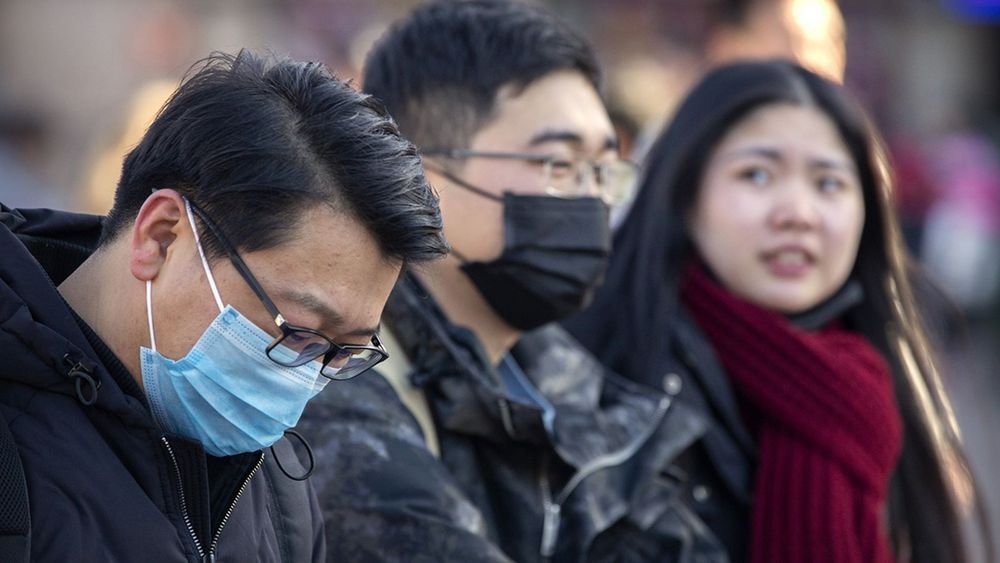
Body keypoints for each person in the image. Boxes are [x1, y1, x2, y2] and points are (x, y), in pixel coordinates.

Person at [295, 1, 727, 561]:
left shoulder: (579, 393)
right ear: (421, 177)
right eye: (558, 166)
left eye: (603, 170)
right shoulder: (334, 374)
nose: (592, 198)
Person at [0, 50, 447, 562]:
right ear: (161, 236)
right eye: (298, 329)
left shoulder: (278, 484)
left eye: (343, 352)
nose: (303, 378)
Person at [565, 60, 989, 563]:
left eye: (828, 183)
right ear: (685, 193)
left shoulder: (877, 389)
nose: (797, 214)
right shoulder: (596, 376)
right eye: (757, 175)